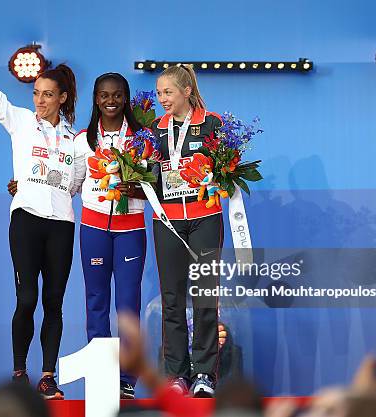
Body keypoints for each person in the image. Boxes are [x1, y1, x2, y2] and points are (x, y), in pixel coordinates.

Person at [0, 41, 80, 400]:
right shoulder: (21, 121)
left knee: (54, 302)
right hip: (26, 220)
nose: (39, 100)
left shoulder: (76, 140)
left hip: (62, 225)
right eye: (37, 93)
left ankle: (48, 377)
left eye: (48, 95)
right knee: (26, 299)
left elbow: (82, 183)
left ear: (63, 98)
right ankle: (20, 373)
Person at [9, 72, 148, 399]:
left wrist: (136, 188)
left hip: (131, 230)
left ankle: (126, 379)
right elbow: (71, 184)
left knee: (128, 305)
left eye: (116, 95)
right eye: (103, 95)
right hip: (94, 228)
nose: (110, 101)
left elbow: (152, 186)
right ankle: (103, 373)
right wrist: (25, 185)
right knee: (96, 303)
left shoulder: (142, 138)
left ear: (125, 99)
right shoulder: (82, 139)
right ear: (95, 99)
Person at [151, 64, 224, 397]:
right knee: (171, 298)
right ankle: (176, 375)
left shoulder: (212, 124)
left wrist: (222, 176)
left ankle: (205, 374)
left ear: (186, 92)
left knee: (205, 295)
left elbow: (226, 170)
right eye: (158, 93)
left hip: (205, 217)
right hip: (167, 220)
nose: (162, 99)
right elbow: (149, 174)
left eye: (167, 92)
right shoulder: (154, 129)